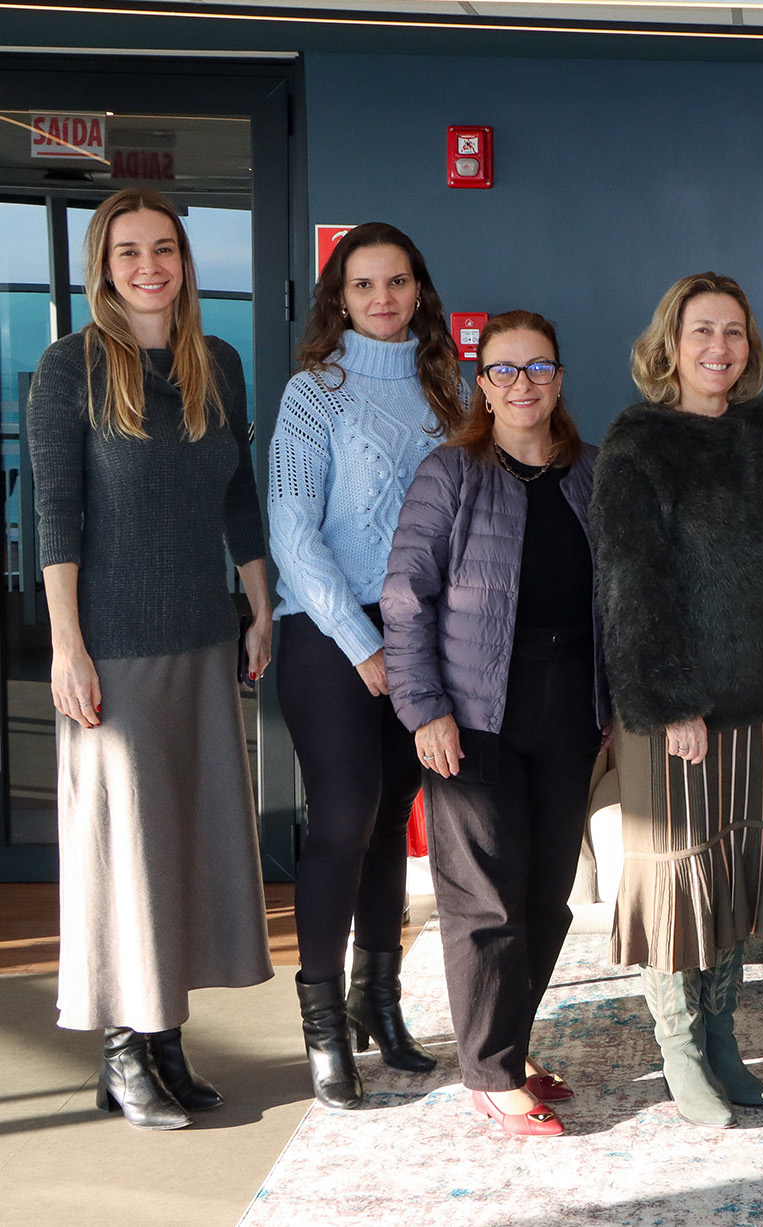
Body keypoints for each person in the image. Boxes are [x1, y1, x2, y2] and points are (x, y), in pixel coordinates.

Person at [29, 188, 273, 1130]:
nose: (149, 266)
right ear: (103, 263)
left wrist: (259, 605)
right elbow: (57, 518)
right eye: (129, 250)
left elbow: (238, 497)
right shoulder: (70, 368)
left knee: (187, 841)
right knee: (125, 850)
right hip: (115, 652)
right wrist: (67, 647)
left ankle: (166, 1038)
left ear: (183, 260)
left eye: (163, 248)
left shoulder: (219, 363)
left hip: (204, 641)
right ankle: (124, 1047)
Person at [593, 272, 763, 1129]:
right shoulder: (637, 445)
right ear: (670, 344)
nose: (718, 348)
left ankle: (724, 1039)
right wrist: (666, 698)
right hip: (676, 710)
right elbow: (628, 583)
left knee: (732, 874)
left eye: (733, 332)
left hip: (762, 693)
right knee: (678, 883)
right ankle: (681, 1051)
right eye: (702, 331)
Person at [382, 310, 607, 1137]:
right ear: (482, 382)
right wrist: (424, 708)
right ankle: (487, 1071)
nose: (523, 383)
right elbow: (405, 595)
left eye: (538, 367)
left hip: (567, 703)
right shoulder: (452, 471)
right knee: (484, 899)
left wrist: (610, 700)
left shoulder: (590, 470)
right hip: (470, 711)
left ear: (558, 378)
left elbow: (615, 594)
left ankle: (506, 1042)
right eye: (504, 369)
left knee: (547, 899)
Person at [269, 223, 466, 1108]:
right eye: (362, 286)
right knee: (344, 819)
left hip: (419, 638)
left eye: (397, 282)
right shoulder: (314, 393)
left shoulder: (448, 392)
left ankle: (378, 1005)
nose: (382, 298)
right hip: (327, 633)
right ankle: (322, 1036)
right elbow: (291, 531)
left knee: (393, 819)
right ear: (339, 299)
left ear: (419, 291)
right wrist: (364, 644)